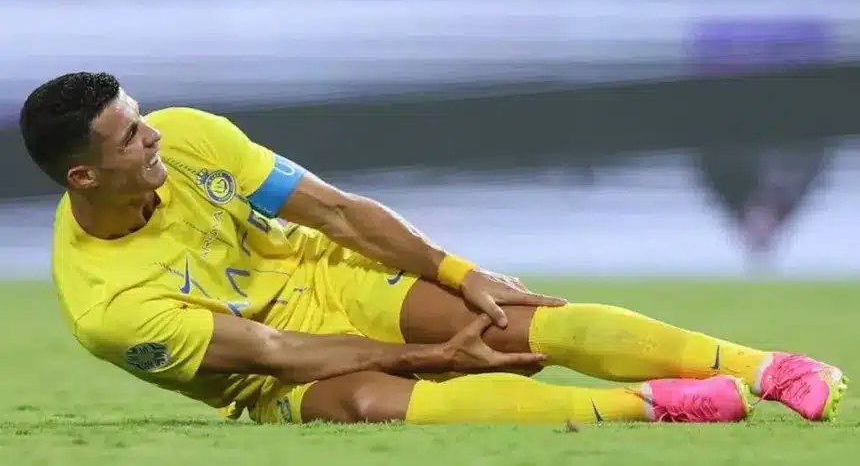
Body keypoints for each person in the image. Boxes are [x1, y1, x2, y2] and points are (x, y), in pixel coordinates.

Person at [21, 72, 846, 426]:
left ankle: (771, 367)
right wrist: (426, 357)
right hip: (268, 377)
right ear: (86, 174)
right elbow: (277, 351)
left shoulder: (193, 137)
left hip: (326, 276)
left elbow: (338, 213)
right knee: (378, 405)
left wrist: (459, 272)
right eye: (133, 133)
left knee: (511, 319)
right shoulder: (110, 309)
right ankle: (662, 405)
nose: (154, 130)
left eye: (141, 111)